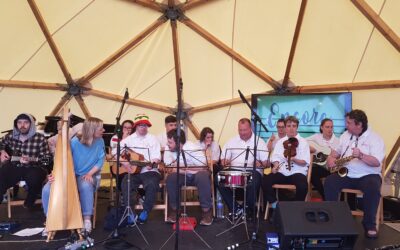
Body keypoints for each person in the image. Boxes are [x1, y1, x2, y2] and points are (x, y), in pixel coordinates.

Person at [324, 110, 385, 239]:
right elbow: (336, 152)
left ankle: (370, 225)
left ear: (359, 124)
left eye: (349, 123)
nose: (346, 125)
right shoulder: (346, 135)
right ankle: (332, 219)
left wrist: (361, 155)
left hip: (368, 175)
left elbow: (376, 163)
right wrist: (331, 159)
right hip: (348, 173)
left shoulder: (375, 138)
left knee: (373, 188)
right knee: (330, 181)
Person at [42, 117, 105, 233]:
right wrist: (54, 174)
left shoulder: (100, 141)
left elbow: (100, 160)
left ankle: (86, 220)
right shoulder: (75, 142)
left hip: (87, 175)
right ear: (91, 130)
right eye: (101, 128)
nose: (104, 130)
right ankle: (49, 220)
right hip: (69, 175)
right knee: (47, 189)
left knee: (86, 185)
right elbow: (62, 159)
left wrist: (90, 173)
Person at [218, 118, 268, 217]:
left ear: (250, 129)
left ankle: (248, 210)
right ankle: (235, 208)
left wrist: (261, 163)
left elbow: (266, 163)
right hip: (235, 171)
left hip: (252, 171)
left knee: (253, 181)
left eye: (245, 130)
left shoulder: (259, 142)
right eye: (240, 130)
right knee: (219, 178)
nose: (242, 133)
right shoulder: (231, 141)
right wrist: (224, 161)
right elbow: (223, 159)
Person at [116, 114, 161, 224]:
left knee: (152, 183)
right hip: (133, 171)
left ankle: (145, 211)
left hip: (149, 170)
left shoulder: (153, 138)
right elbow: (115, 153)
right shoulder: (129, 139)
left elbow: (157, 156)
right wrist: (125, 163)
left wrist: (153, 162)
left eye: (146, 125)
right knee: (126, 182)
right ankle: (130, 212)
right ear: (136, 126)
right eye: (141, 125)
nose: (143, 127)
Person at [0, 113, 51, 208]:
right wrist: (2, 151)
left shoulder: (40, 138)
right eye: (19, 122)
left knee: (35, 178)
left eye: (26, 122)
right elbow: (1, 143)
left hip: (34, 167)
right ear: (16, 124)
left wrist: (30, 160)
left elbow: (46, 160)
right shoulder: (11, 136)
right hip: (15, 166)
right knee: (2, 174)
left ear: (31, 124)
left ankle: (31, 199)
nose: (22, 125)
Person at [164, 129, 213, 225]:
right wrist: (182, 169)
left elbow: (203, 167)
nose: (168, 144)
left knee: (203, 177)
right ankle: (175, 210)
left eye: (170, 142)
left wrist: (183, 169)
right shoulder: (168, 148)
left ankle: (206, 212)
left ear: (178, 142)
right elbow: (168, 167)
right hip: (183, 175)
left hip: (197, 174)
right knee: (171, 179)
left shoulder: (193, 148)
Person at [262, 116, 310, 213]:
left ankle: (296, 209)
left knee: (303, 185)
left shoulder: (303, 142)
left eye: (294, 126)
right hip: (282, 172)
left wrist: (293, 159)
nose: (291, 128)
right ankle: (276, 205)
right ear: (285, 128)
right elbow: (275, 157)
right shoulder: (280, 142)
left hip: (297, 172)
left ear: (297, 127)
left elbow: (305, 161)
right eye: (288, 126)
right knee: (265, 181)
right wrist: (275, 166)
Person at [307, 118, 339, 199]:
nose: (330, 129)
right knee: (312, 173)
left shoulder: (337, 141)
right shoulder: (316, 137)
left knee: (333, 178)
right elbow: (302, 142)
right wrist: (317, 150)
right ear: (321, 127)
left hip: (332, 168)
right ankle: (324, 195)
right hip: (321, 166)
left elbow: (339, 155)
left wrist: (334, 155)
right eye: (327, 127)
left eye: (331, 127)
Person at [108, 119, 134, 191]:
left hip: (132, 164)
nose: (127, 130)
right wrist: (124, 139)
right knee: (123, 175)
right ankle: (122, 195)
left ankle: (140, 196)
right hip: (118, 165)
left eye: (129, 128)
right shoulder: (115, 138)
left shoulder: (135, 138)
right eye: (125, 127)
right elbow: (115, 153)